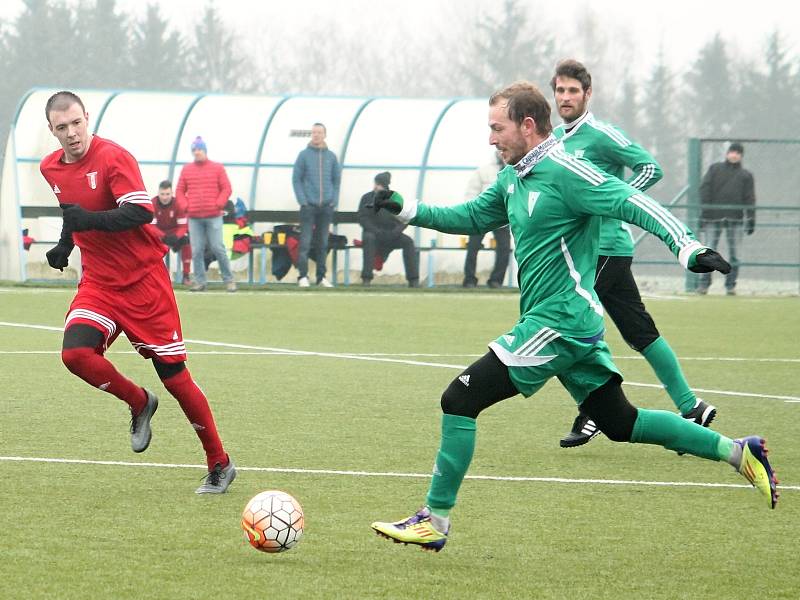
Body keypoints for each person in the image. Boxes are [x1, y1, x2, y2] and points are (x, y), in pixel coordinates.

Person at [369, 81, 778, 552]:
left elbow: (631, 199)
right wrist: (406, 206)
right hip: (569, 326)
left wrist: (687, 245)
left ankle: (434, 521)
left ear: (527, 126)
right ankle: (737, 451)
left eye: (496, 128)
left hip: (558, 322)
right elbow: (470, 216)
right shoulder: (512, 179)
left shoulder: (567, 171)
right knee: (621, 423)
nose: (490, 139)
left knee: (459, 399)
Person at [40, 91, 236, 494]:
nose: (72, 133)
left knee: (176, 378)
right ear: (52, 131)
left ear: (87, 117)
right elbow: (73, 212)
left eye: (77, 123)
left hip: (144, 280)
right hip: (98, 282)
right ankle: (138, 401)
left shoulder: (114, 157)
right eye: (62, 128)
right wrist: (66, 243)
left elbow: (139, 211)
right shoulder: (51, 168)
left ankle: (220, 463)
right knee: (75, 354)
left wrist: (85, 222)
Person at [551, 59, 715, 448]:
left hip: (606, 247)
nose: (566, 97)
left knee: (574, 323)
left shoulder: (601, 134)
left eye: (573, 90)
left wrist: (616, 203)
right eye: (560, 90)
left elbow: (649, 167)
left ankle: (594, 408)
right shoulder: (556, 139)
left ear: (588, 94)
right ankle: (690, 406)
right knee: (636, 329)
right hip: (583, 250)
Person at [176, 136, 237, 292]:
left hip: (214, 216)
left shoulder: (217, 168)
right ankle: (200, 282)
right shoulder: (186, 169)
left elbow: (226, 188)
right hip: (194, 218)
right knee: (196, 250)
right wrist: (185, 206)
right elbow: (179, 191)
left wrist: (219, 203)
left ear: (205, 150)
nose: (197, 152)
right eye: (194, 150)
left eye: (199, 149)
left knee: (218, 248)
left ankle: (229, 280)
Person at [697, 142, 756, 295]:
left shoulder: (746, 175)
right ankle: (704, 285)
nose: (734, 155)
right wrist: (705, 212)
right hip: (713, 217)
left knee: (735, 253)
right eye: (732, 152)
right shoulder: (715, 169)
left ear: (741, 156)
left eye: (737, 152)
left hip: (736, 219)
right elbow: (705, 189)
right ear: (727, 153)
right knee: (708, 252)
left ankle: (730, 286)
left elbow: (749, 198)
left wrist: (750, 219)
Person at [292, 122, 341, 288]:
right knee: (305, 243)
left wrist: (333, 200)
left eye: (319, 132)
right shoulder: (303, 155)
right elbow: (296, 179)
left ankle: (321, 277)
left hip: (326, 207)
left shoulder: (331, 157)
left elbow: (336, 180)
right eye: (313, 132)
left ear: (324, 135)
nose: (316, 135)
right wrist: (303, 201)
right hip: (308, 207)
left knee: (323, 243)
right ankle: (303, 276)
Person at [357, 171, 420, 287]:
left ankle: (413, 280)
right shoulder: (366, 198)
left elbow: (405, 219)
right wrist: (376, 231)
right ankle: (366, 278)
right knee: (368, 238)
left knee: (408, 242)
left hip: (391, 235)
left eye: (378, 184)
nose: (375, 186)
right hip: (373, 233)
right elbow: (363, 218)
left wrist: (395, 232)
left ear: (385, 186)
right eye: (375, 183)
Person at [462, 152, 511, 288]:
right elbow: (471, 193)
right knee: (473, 246)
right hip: (481, 217)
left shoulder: (514, 170)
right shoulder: (483, 171)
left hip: (502, 218)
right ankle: (470, 280)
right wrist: (473, 214)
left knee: (505, 249)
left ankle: (496, 281)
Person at [152, 179, 192, 285]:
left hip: (175, 234)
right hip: (159, 235)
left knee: (187, 242)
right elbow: (150, 226)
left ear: (172, 193)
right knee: (147, 244)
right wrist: (163, 236)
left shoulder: (178, 204)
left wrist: (176, 236)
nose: (165, 197)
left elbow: (183, 226)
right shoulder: (152, 204)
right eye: (162, 194)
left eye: (167, 194)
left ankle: (186, 275)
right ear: (158, 193)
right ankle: (155, 276)